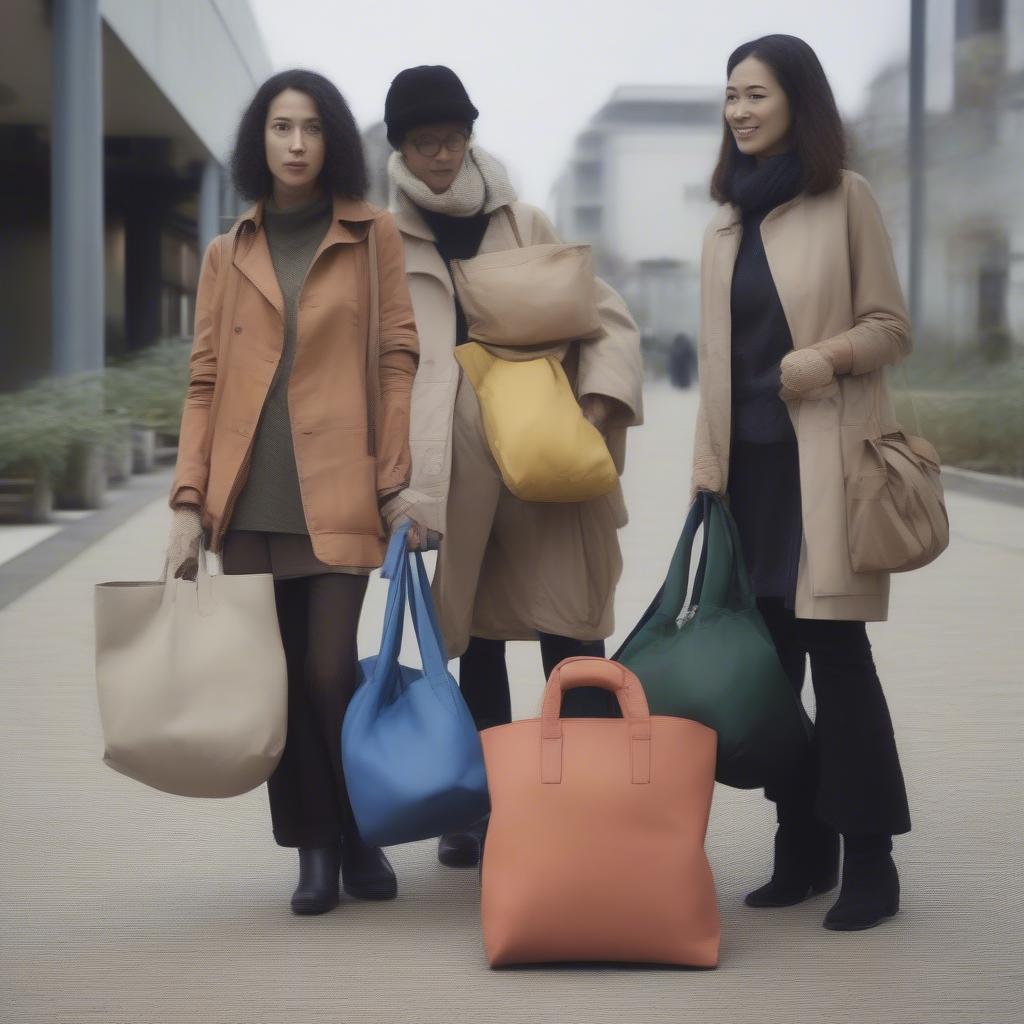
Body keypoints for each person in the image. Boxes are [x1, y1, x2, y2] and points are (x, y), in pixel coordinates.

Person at [165, 70, 419, 916]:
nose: (298, 143)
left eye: (311, 127)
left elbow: (395, 356)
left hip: (338, 485)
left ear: (333, 139)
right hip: (249, 496)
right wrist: (188, 502)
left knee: (326, 672)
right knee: (276, 680)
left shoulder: (372, 233)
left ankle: (361, 832)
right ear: (260, 141)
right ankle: (314, 850)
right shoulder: (226, 250)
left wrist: (394, 484)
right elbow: (203, 379)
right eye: (281, 127)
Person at [378, 66, 643, 868]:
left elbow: (607, 320)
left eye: (453, 138)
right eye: (424, 141)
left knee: (575, 631)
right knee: (475, 642)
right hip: (454, 478)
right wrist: (393, 483)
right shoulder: (381, 242)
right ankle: (485, 809)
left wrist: (597, 406)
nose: (440, 155)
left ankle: (595, 809)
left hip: (542, 458)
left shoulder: (523, 220)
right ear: (400, 147)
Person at [691, 35, 912, 931]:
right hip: (746, 483)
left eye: (756, 94)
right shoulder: (722, 223)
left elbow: (891, 326)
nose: (739, 110)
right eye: (731, 96)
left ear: (797, 103)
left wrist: (823, 359)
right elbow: (714, 368)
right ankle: (802, 846)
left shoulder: (843, 197)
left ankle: (869, 857)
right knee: (766, 677)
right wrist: (706, 479)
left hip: (825, 470)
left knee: (840, 666)